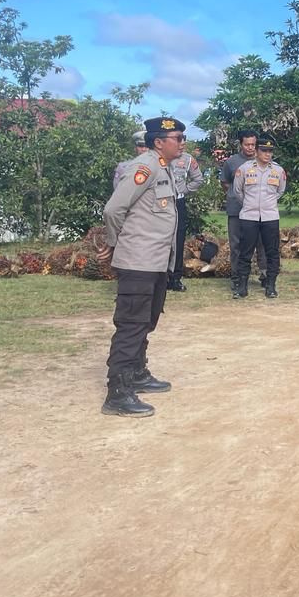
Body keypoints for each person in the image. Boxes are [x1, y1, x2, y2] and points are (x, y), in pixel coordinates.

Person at [98, 116, 185, 417]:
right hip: (138, 260)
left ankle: (136, 373)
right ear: (159, 142)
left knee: (146, 320)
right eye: (177, 138)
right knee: (131, 324)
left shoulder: (164, 167)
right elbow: (113, 209)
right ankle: (118, 392)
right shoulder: (144, 167)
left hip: (155, 261)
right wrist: (115, 243)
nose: (182, 143)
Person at [231, 134, 286, 300]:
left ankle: (271, 285)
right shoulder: (245, 169)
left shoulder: (278, 170)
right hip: (249, 216)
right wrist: (250, 204)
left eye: (270, 151)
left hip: (270, 216)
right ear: (256, 151)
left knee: (272, 252)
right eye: (264, 150)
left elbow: (280, 191)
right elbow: (238, 191)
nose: (267, 154)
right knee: (245, 252)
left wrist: (267, 204)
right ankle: (242, 286)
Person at [222, 131, 267, 287]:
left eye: (253, 144)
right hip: (237, 210)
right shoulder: (231, 162)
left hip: (259, 210)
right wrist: (237, 195)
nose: (250, 147)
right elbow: (225, 183)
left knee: (262, 243)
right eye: (247, 144)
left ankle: (265, 275)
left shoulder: (263, 160)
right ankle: (237, 277)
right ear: (241, 144)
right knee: (236, 245)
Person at [167, 144, 204, 292]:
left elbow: (198, 179)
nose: (180, 144)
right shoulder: (159, 156)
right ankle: (159, 277)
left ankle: (175, 278)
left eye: (182, 140)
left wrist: (185, 190)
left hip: (178, 201)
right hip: (160, 202)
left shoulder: (187, 159)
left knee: (178, 239)